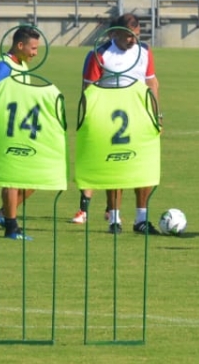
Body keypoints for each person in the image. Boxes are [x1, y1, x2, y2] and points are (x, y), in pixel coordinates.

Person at [73, 13, 161, 234]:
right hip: (110, 120)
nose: (132, 40)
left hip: (141, 117)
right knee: (116, 166)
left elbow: (151, 83)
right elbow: (88, 90)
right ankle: (115, 218)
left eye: (136, 35)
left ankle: (141, 219)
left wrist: (157, 115)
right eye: (128, 36)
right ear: (114, 34)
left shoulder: (145, 52)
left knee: (143, 167)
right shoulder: (100, 54)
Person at [0, 26, 41, 240]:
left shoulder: (21, 65)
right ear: (20, 45)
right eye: (33, 48)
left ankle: (4, 214)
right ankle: (12, 228)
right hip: (3, 129)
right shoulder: (4, 66)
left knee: (34, 179)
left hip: (21, 130)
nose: (35, 53)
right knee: (11, 179)